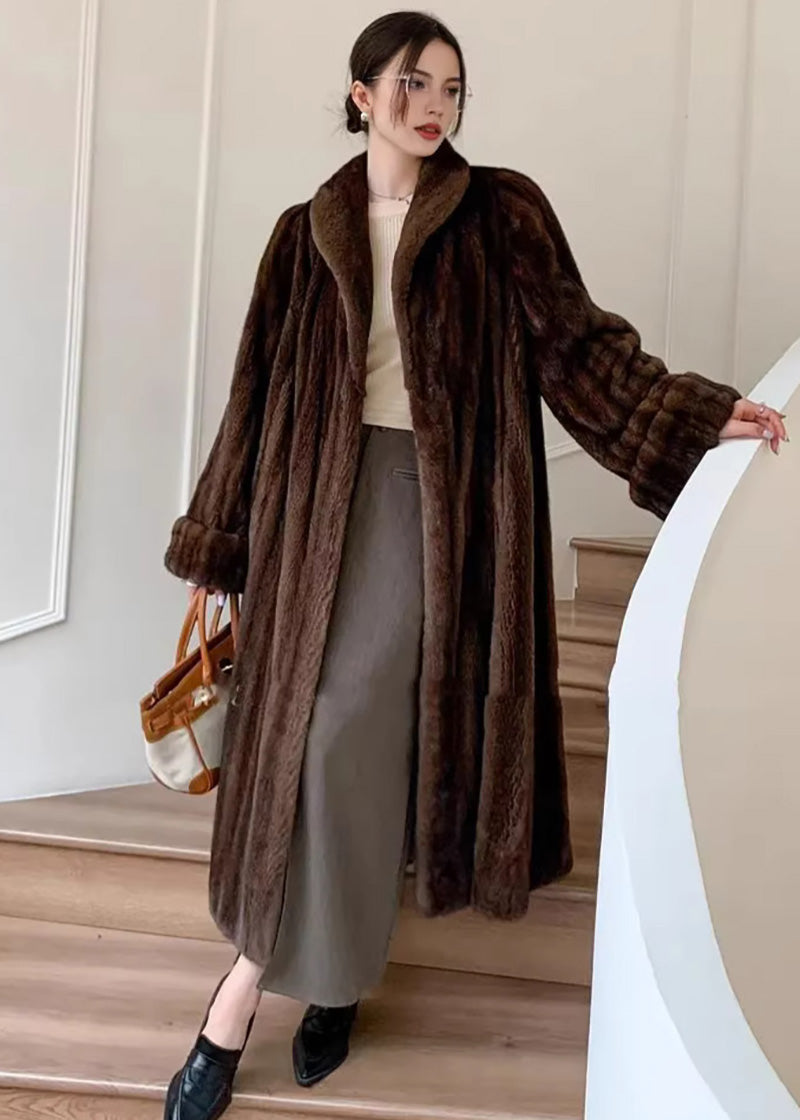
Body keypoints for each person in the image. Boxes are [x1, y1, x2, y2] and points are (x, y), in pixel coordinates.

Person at [161, 11, 787, 1119]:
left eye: (451, 87)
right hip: (309, 514)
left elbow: (581, 350)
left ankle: (239, 996)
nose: (434, 105)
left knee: (342, 727)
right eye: (412, 82)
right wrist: (220, 538)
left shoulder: (499, 213)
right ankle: (330, 978)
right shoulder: (302, 233)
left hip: (435, 506)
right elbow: (252, 394)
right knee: (316, 737)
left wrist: (691, 416)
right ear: (362, 93)